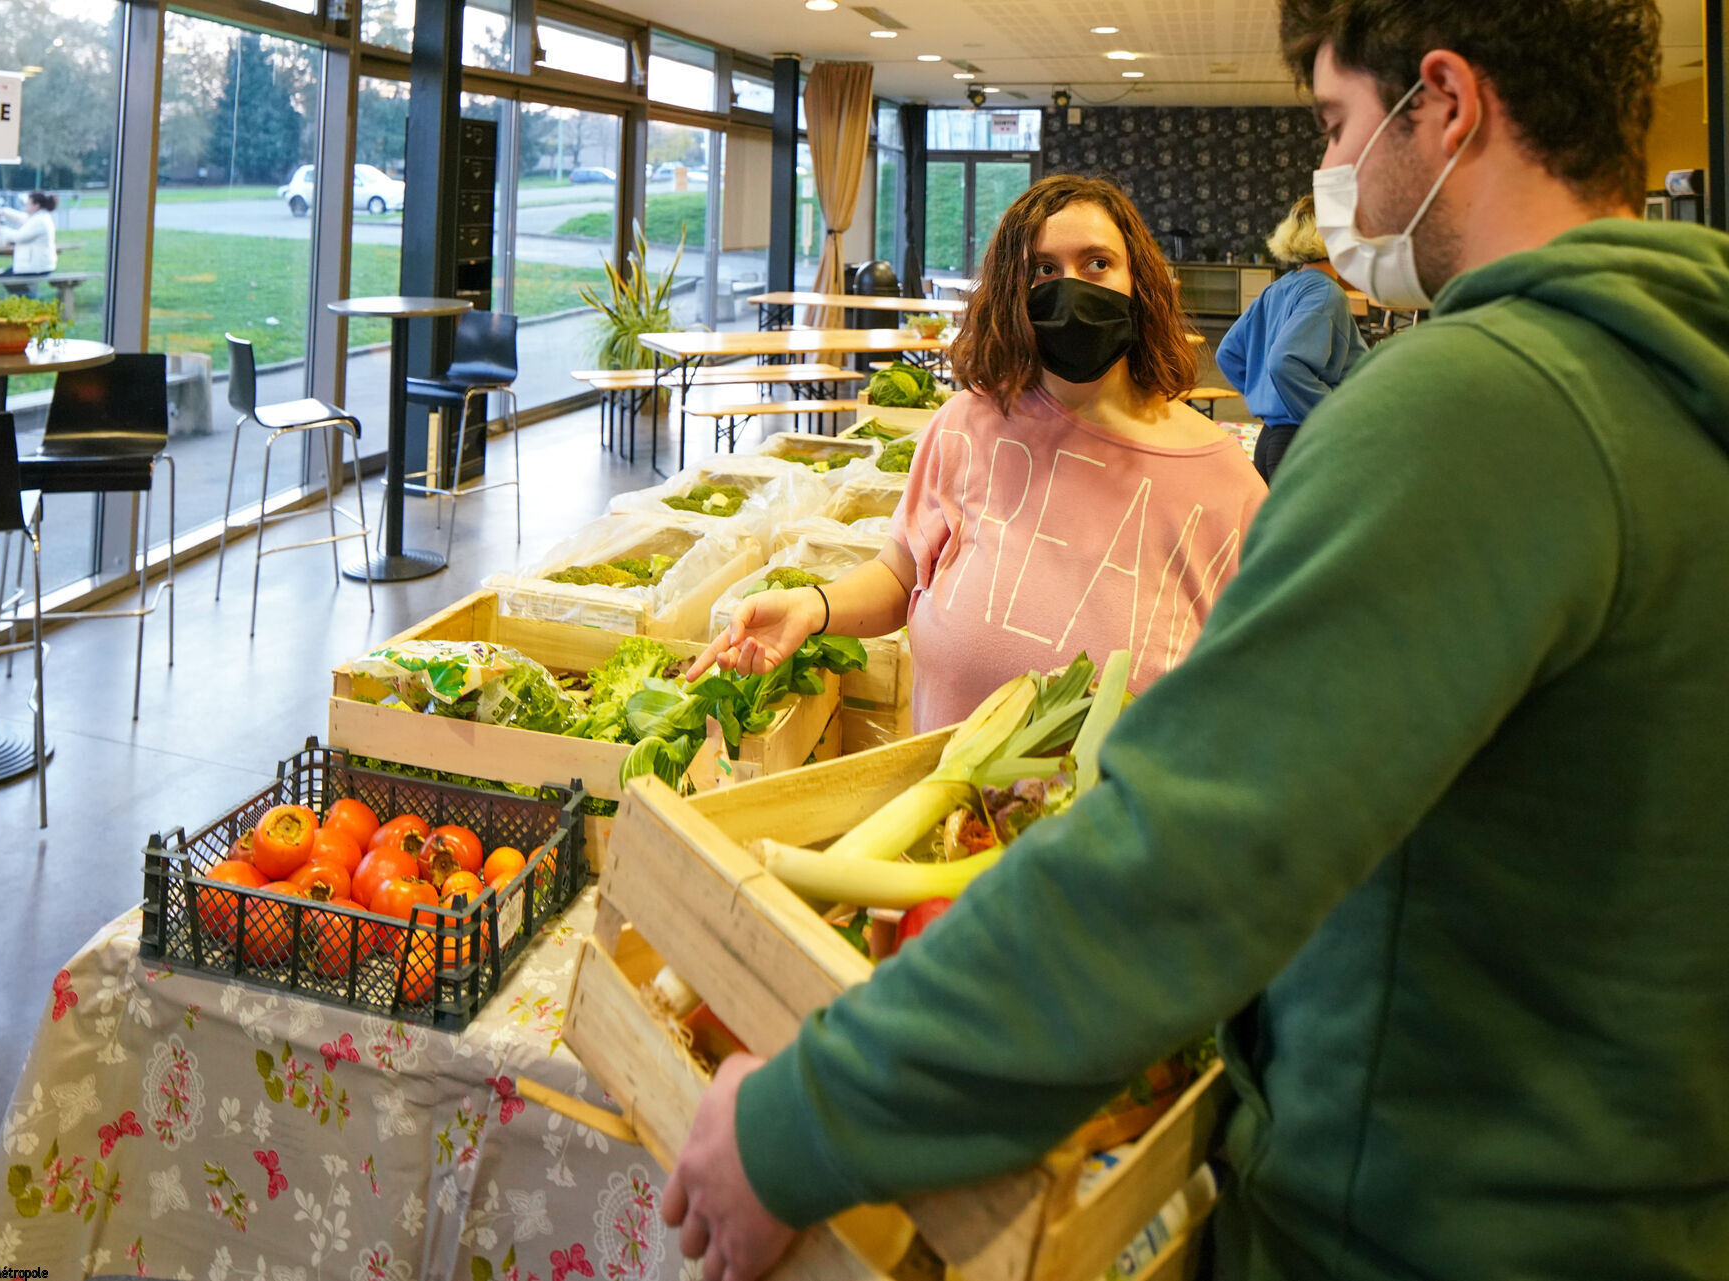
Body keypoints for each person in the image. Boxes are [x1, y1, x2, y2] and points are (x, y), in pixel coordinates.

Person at [662, 3, 1729, 1280]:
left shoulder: (1467, 415)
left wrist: (800, 1127)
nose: (1333, 176)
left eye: (1338, 125)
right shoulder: (1679, 386)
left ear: (1443, 105)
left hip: (1422, 1218)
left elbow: (1186, 858)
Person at [687, 174, 1266, 726]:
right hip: (949, 812)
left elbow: (1260, 683)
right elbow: (900, 575)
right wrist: (814, 606)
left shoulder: (1224, 485)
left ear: (1138, 281)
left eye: (1097, 263)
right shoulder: (965, 427)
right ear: (1013, 293)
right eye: (1042, 269)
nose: (1071, 288)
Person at [1215, 194, 1367, 480]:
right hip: (1299, 442)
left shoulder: (1279, 288)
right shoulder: (1326, 292)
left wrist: (1269, 395)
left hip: (1271, 438)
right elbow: (1285, 362)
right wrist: (1331, 411)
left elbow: (1229, 353)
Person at [0, 190, 59, 293]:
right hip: (36, 265)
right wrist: (5, 212)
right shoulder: (39, 217)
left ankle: (28, 298)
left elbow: (19, 237)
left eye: (28, 204)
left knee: (5, 279)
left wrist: (1, 229)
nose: (26, 207)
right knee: (7, 278)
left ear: (36, 205)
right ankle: (25, 298)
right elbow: (23, 219)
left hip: (36, 267)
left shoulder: (40, 221)